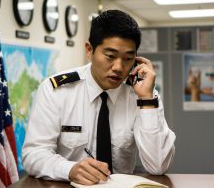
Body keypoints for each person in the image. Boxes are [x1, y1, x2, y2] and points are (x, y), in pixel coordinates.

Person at [22, 10, 176, 185]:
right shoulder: (56, 90)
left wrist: (147, 100)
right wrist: (69, 169)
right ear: (89, 50)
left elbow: (158, 166)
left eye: (128, 58)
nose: (119, 67)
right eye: (110, 56)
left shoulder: (142, 94)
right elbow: (33, 154)